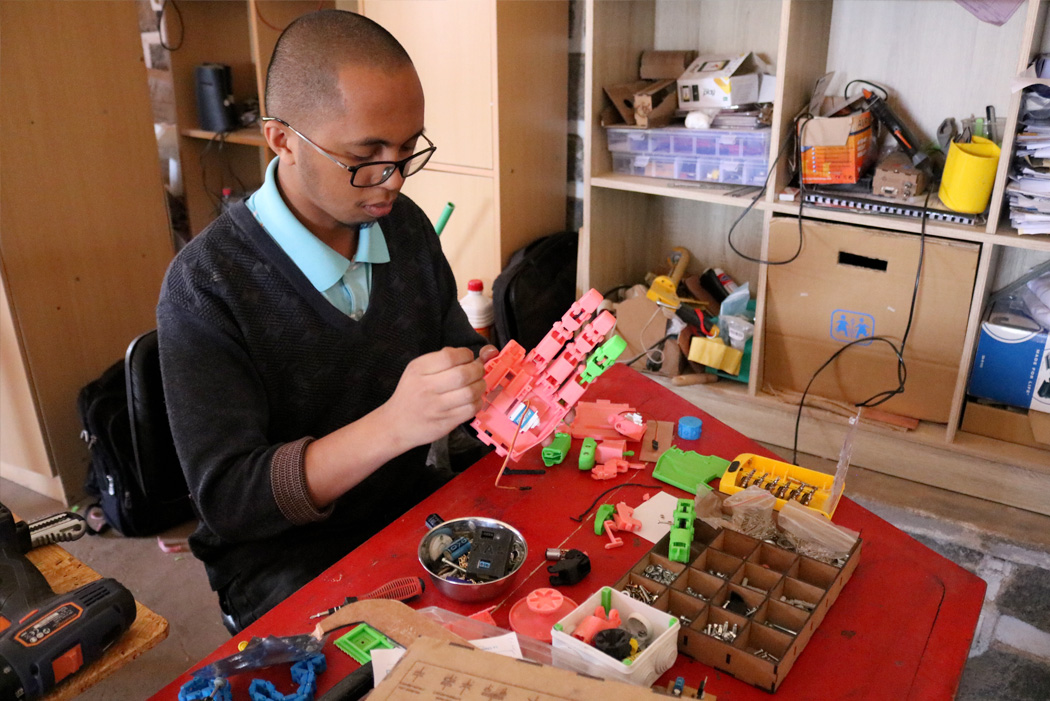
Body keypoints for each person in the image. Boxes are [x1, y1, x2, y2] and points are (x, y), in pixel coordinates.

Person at [157, 9, 494, 633]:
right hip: (281, 558)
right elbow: (230, 500)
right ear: (280, 139)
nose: (393, 180)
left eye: (408, 150)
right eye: (366, 156)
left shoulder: (404, 227)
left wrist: (486, 379)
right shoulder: (206, 285)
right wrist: (394, 425)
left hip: (402, 511)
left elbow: (456, 348)